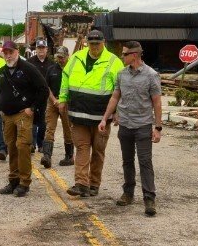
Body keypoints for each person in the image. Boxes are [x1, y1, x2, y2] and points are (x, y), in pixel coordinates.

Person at [99, 41, 163, 216]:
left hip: (143, 126)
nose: (122, 57)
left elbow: (157, 102)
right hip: (125, 125)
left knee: (145, 162)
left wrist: (157, 127)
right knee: (127, 161)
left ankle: (149, 198)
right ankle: (128, 193)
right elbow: (115, 97)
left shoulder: (151, 75)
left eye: (125, 54)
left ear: (134, 55)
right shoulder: (121, 75)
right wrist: (105, 118)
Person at [59, 30, 124, 197]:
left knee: (98, 151)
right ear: (87, 42)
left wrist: (117, 111)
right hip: (78, 114)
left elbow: (121, 89)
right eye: (91, 43)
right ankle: (81, 184)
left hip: (101, 117)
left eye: (97, 43)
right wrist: (63, 98)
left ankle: (94, 183)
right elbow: (65, 78)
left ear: (103, 43)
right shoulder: (76, 57)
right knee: (81, 148)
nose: (94, 46)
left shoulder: (114, 62)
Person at [0, 41, 48, 197]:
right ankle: (13, 180)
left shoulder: (28, 68)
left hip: (23, 114)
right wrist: (0, 109)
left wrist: (32, 108)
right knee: (11, 147)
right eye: (5, 52)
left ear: (17, 52)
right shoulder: (2, 71)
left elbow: (43, 89)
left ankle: (24, 182)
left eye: (11, 52)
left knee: (23, 146)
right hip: (8, 115)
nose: (8, 55)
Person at [41, 46, 74, 167]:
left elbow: (75, 87)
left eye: (62, 57)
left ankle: (69, 157)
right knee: (50, 128)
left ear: (67, 56)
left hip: (66, 103)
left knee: (68, 129)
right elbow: (47, 87)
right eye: (58, 57)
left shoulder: (73, 69)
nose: (60, 59)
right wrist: (54, 100)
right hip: (53, 102)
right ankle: (47, 156)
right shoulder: (51, 69)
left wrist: (63, 100)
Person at [28, 39, 54, 154]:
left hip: (46, 97)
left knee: (43, 122)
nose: (41, 50)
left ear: (46, 49)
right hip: (32, 96)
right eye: (39, 48)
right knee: (32, 121)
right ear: (36, 49)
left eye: (43, 48)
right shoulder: (30, 62)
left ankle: (41, 144)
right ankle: (32, 144)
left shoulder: (52, 63)